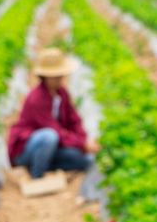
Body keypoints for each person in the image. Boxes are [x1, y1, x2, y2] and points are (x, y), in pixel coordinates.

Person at [7, 47, 97, 180]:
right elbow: (55, 130)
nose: (59, 79)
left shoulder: (61, 93)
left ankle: (45, 164)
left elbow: (74, 120)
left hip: (53, 147)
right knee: (49, 136)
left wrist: (83, 140)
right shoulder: (36, 98)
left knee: (82, 161)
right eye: (54, 76)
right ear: (44, 77)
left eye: (60, 75)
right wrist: (82, 144)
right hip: (27, 149)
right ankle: (37, 176)